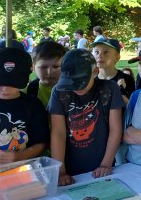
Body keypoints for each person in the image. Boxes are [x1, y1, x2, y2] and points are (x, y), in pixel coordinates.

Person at [49, 49, 123, 184]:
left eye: (81, 82)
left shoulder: (110, 89)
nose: (76, 88)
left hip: (103, 164)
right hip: (69, 167)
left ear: (95, 72)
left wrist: (105, 164)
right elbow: (58, 133)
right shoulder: (59, 92)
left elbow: (115, 129)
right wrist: (60, 171)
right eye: (71, 83)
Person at [0, 48, 49, 166]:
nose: (5, 89)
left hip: (21, 172)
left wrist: (19, 156)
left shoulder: (32, 105)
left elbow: (41, 143)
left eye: (13, 83)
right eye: (0, 81)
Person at [92, 38, 135, 105]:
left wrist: (120, 91)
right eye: (97, 52)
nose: (99, 55)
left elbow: (133, 109)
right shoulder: (92, 82)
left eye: (106, 52)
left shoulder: (126, 79)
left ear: (117, 57)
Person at [26, 41, 67, 107]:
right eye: (43, 67)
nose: (49, 72)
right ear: (33, 67)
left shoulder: (74, 91)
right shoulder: (26, 92)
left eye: (56, 67)